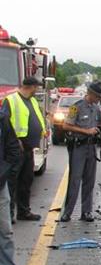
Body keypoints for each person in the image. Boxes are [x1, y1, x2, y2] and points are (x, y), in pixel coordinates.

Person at [59, 81, 101, 223]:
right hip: (79, 147)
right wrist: (86, 131)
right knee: (75, 180)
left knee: (89, 181)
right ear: (91, 94)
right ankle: (67, 212)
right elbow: (66, 125)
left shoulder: (96, 108)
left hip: (91, 148)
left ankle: (86, 212)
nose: (99, 99)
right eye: (98, 97)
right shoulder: (77, 107)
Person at [1, 77, 47, 223]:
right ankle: (8, 214)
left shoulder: (32, 101)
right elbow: (5, 123)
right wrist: (16, 142)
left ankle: (24, 211)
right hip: (16, 149)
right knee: (11, 182)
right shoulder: (11, 99)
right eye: (37, 87)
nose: (38, 90)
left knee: (26, 181)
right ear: (31, 87)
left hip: (28, 149)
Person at [0, 103, 25, 265]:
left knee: (4, 230)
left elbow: (13, 149)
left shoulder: (2, 119)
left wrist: (4, 173)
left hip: (0, 185)